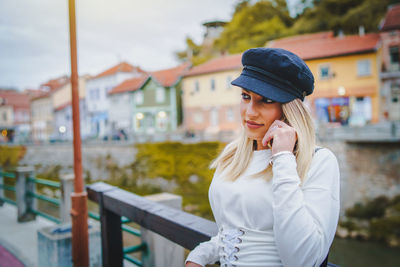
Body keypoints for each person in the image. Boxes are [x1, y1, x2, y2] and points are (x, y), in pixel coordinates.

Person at [185, 48, 340, 267]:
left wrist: (283, 157)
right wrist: (201, 255)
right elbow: (233, 231)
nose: (249, 112)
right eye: (245, 96)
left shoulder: (319, 161)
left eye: (265, 101)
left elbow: (303, 260)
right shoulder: (233, 154)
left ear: (289, 110)